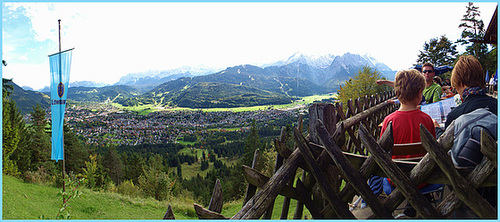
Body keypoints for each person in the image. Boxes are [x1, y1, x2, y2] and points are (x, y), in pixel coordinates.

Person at [365, 70, 437, 217]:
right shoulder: (427, 119)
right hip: (425, 178)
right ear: (419, 93)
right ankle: (419, 202)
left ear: (397, 94)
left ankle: (409, 203)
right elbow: (434, 152)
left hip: (396, 180)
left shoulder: (388, 121)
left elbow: (383, 152)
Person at [434, 55, 497, 213]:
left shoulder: (456, 116)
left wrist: (437, 130)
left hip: (467, 189)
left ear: (460, 83)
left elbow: (447, 151)